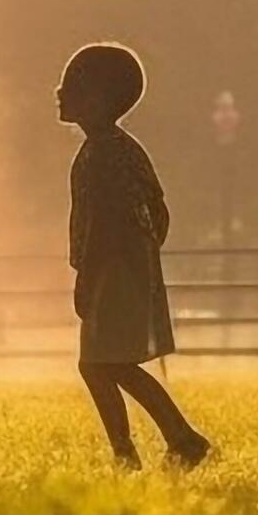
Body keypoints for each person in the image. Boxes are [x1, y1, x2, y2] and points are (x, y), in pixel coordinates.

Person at [58, 42, 210, 470]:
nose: (60, 92)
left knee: (104, 363)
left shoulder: (103, 154)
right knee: (106, 364)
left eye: (73, 86)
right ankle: (155, 445)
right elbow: (157, 210)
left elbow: (101, 221)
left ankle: (158, 445)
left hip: (113, 269)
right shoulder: (115, 149)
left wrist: (90, 273)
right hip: (126, 266)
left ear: (98, 100)